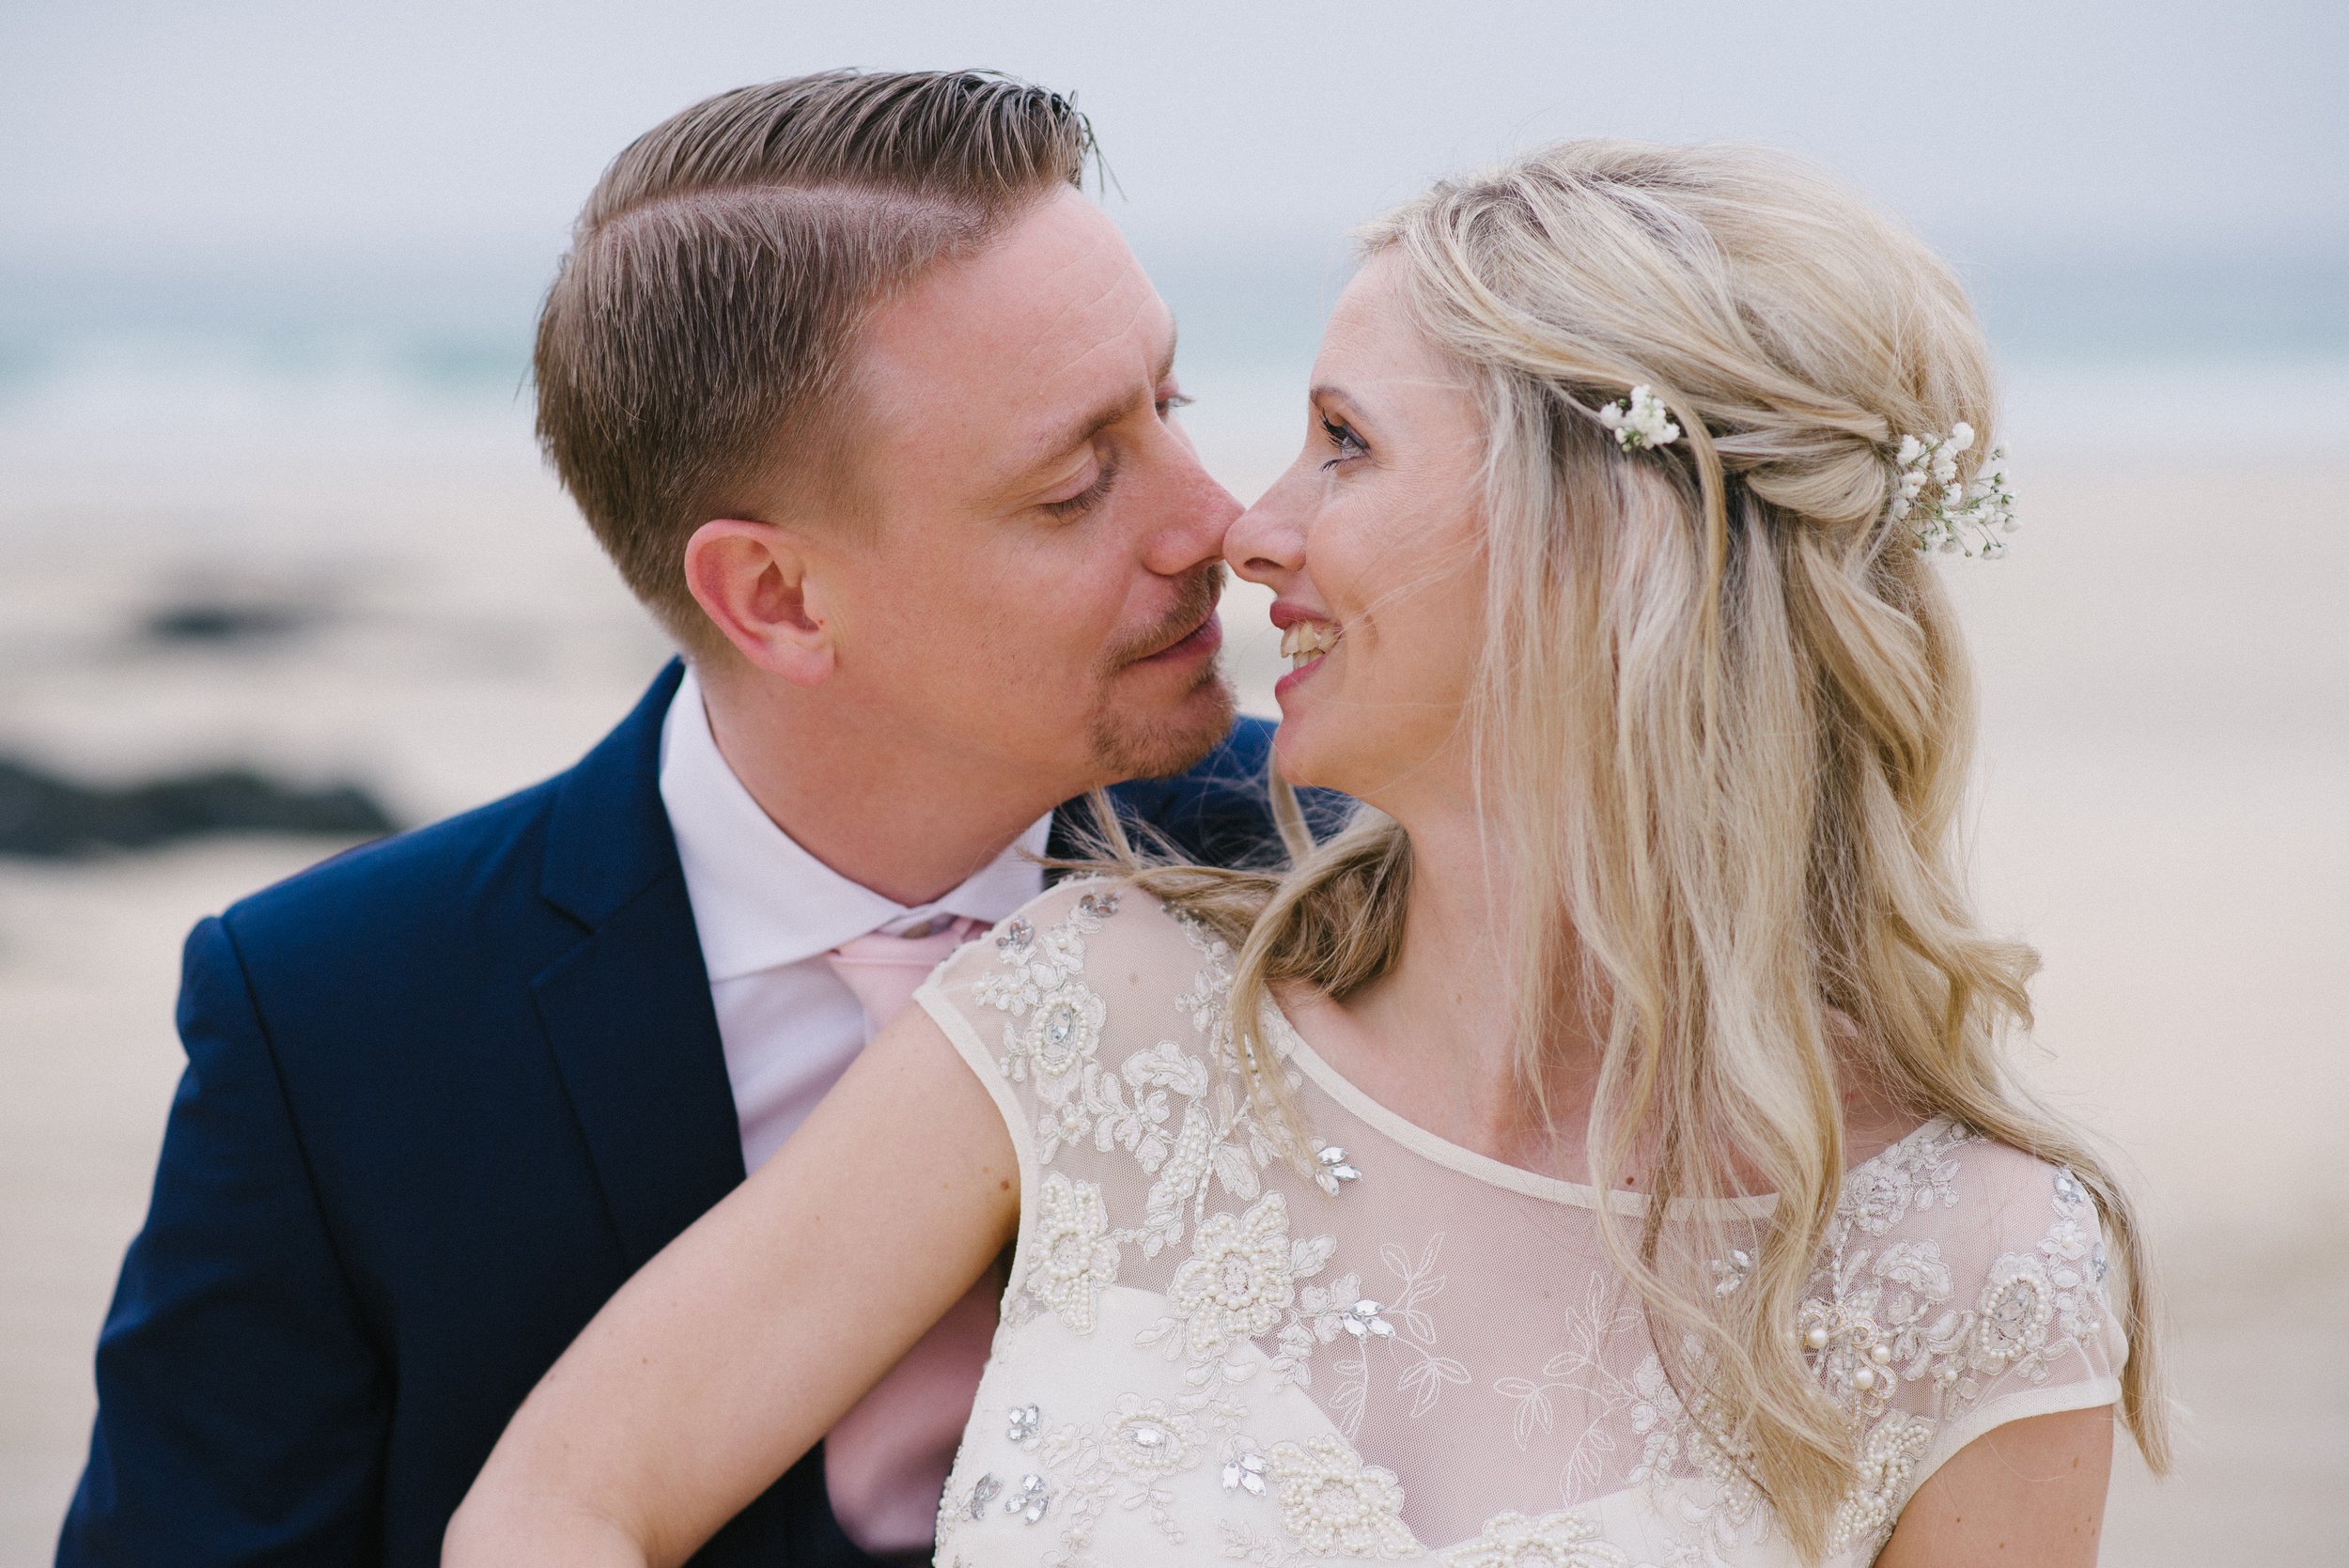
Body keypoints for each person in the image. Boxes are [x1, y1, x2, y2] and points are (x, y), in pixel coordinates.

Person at [447, 140, 2172, 1567]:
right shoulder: (1100, 1004)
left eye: (1345, 443)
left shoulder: (1978, 1269)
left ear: (1601, 543)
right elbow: (558, 1504)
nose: (1245, 527)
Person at [60, 70, 1325, 1568]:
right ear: (776, 597)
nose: (1220, 521)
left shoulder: (1361, 870)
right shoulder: (332, 1022)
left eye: (1167, 400)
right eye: (1073, 484)